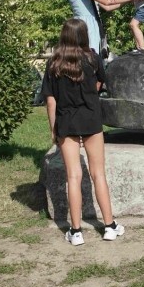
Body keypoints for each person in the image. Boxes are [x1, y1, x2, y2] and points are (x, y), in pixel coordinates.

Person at [42, 18, 125, 245]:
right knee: (98, 174)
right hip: (91, 120)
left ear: (64, 36)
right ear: (84, 35)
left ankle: (76, 231)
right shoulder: (92, 58)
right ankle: (109, 226)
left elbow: (51, 102)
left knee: (73, 176)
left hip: (66, 122)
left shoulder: (53, 64)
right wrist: (87, 93)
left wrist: (54, 130)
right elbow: (100, 85)